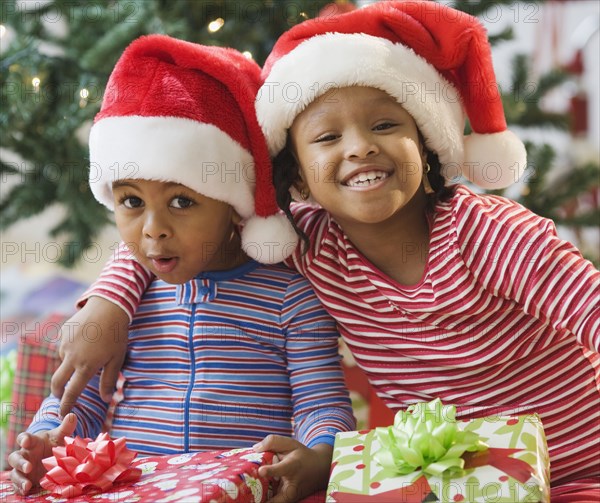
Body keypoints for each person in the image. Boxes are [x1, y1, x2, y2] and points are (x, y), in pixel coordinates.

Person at [51, 1, 600, 497]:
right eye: (327, 138)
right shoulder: (310, 242)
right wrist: (111, 302)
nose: (360, 147)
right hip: (461, 480)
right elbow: (190, 230)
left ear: (428, 145)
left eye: (385, 124)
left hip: (583, 466)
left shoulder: (487, 232)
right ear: (296, 179)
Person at [8, 34, 355, 502]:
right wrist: (48, 438)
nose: (153, 229)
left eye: (181, 201)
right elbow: (77, 402)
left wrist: (320, 453)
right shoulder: (125, 300)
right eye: (131, 201)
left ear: (235, 206)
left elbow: (321, 404)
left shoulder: (291, 297)